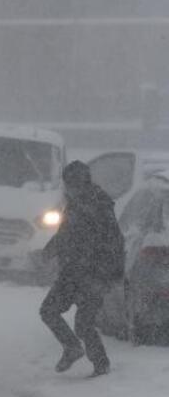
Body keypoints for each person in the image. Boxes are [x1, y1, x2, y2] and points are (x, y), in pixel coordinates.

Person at [40, 161, 124, 377]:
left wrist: (109, 275)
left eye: (70, 184)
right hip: (72, 273)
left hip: (93, 275)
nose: (67, 189)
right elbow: (65, 233)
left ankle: (101, 365)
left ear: (79, 183)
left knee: (83, 323)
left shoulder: (99, 206)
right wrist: (49, 250)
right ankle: (72, 348)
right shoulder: (76, 204)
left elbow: (114, 242)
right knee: (49, 310)